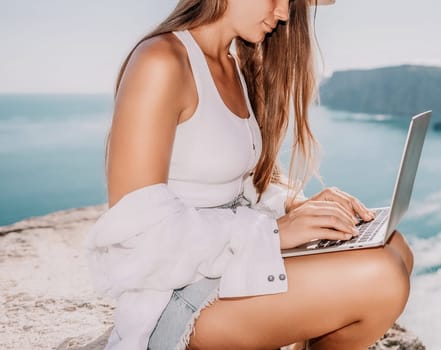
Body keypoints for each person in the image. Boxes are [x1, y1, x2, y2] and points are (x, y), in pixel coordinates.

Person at [84, 0, 414, 349]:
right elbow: (136, 232)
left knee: (395, 246)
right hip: (175, 297)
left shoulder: (232, 64)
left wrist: (295, 206)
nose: (285, 14)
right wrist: (273, 233)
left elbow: (229, 186)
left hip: (225, 268)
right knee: (382, 276)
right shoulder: (161, 61)